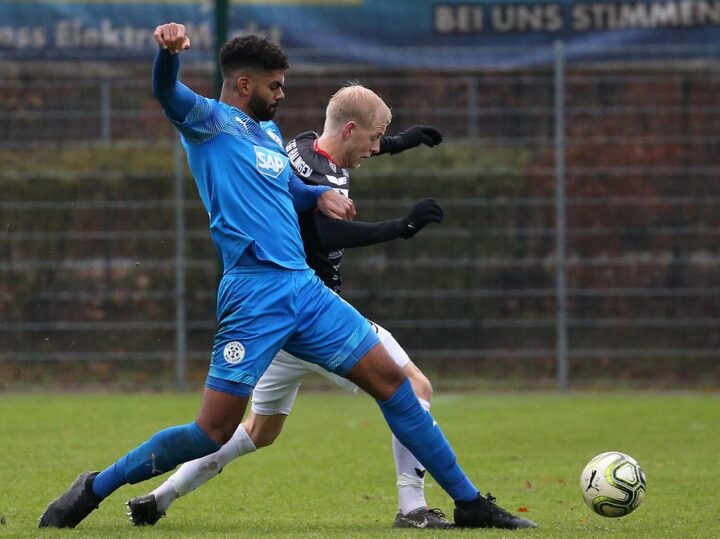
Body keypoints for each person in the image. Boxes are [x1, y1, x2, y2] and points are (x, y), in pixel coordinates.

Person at [38, 23, 537, 531]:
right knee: (212, 431)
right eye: (275, 85)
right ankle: (94, 487)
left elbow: (283, 188)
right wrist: (167, 55)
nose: (283, 94)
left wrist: (315, 195)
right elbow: (165, 91)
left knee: (396, 385)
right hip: (253, 294)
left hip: (304, 289)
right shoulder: (208, 121)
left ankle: (469, 503)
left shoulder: (269, 135)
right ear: (245, 84)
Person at [126, 86, 451, 530]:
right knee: (415, 388)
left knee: (260, 431)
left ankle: (161, 497)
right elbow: (327, 236)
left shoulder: (298, 145)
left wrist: (402, 140)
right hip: (314, 314)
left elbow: (349, 142)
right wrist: (402, 226)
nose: (376, 149)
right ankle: (413, 509)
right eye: (374, 139)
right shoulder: (325, 181)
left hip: (279, 328)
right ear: (352, 130)